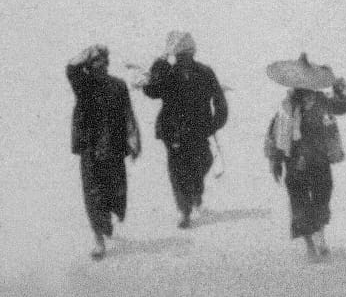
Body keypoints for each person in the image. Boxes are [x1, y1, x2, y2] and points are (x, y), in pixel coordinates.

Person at [264, 55, 346, 262]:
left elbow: (275, 135)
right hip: (318, 161)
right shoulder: (320, 102)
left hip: (296, 164)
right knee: (321, 198)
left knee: (300, 204)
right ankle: (318, 236)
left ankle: (312, 245)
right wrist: (339, 87)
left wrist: (275, 161)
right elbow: (343, 106)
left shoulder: (286, 106)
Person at [141, 32, 229, 228]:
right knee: (179, 170)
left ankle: (194, 196)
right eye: (181, 56)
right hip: (174, 131)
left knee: (202, 162)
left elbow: (220, 101)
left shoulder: (205, 72)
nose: (184, 60)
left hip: (196, 130)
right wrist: (159, 63)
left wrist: (214, 124)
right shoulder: (169, 73)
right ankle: (185, 211)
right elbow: (151, 91)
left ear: (193, 53)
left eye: (186, 55)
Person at [68, 44, 140, 260]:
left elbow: (128, 114)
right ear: (88, 66)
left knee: (115, 192)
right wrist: (88, 52)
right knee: (93, 196)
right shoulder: (84, 85)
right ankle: (98, 239)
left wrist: (134, 140)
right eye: (95, 62)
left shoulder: (118, 85)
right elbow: (71, 69)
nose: (101, 66)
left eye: (103, 61)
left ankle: (106, 224)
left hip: (114, 147)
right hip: (90, 148)